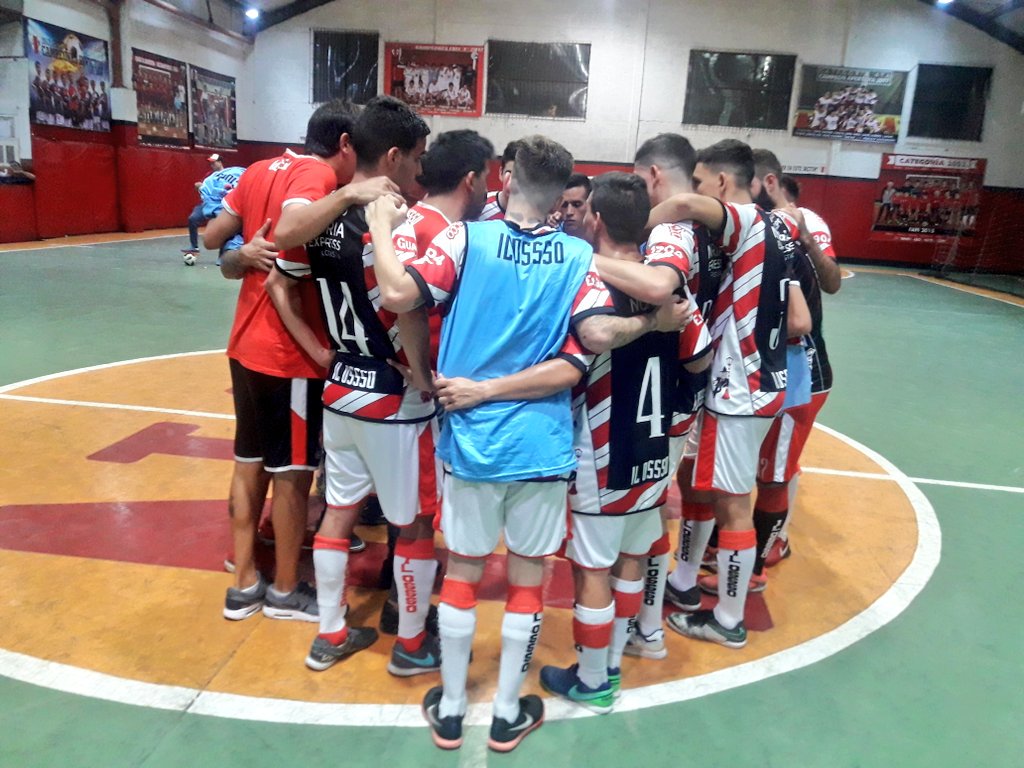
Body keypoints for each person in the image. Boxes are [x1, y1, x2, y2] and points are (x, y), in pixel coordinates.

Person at [368, 135, 689, 752]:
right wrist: (653, 322)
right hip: (542, 445)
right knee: (527, 578)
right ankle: (510, 710)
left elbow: (400, 295)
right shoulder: (577, 258)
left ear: (508, 176)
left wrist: (382, 225)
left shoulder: (466, 239)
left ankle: (455, 706)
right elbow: (591, 341)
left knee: (461, 571)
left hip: (471, 441)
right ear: (566, 192)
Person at [264, 95, 433, 673]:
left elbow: (279, 279)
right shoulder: (394, 221)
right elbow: (404, 307)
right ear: (391, 156)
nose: (419, 172)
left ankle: (331, 632)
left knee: (338, 512)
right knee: (412, 522)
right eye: (415, 160)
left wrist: (319, 351)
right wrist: (426, 374)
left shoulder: (324, 215)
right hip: (392, 396)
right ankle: (411, 642)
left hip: (341, 390)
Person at [202, 99, 388, 624]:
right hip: (287, 352)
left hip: (245, 342)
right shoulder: (318, 176)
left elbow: (216, 240)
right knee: (292, 474)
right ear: (345, 145)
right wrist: (349, 192)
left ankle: (243, 582)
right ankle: (285, 590)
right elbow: (288, 228)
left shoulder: (261, 168)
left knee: (249, 460)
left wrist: (240, 257)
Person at [537, 172, 710, 713]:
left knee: (591, 571)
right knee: (632, 559)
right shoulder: (673, 288)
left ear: (596, 219)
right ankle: (610, 664)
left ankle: (592, 682)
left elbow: (590, 338)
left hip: (603, 451)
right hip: (654, 448)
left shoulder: (591, 282)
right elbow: (701, 359)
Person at [651, 139, 810, 649]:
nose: (696, 189)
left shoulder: (744, 219)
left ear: (722, 184)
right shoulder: (783, 226)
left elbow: (680, 205)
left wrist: (635, 225)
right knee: (707, 485)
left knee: (733, 505)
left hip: (739, 387)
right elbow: (798, 313)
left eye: (702, 180)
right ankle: (684, 581)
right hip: (760, 381)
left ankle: (728, 619)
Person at [184, 154, 224, 256]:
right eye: (210, 163)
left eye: (214, 162)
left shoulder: (228, 175)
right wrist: (199, 186)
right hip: (206, 204)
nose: (212, 165)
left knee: (225, 227)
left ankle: (225, 252)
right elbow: (202, 187)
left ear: (220, 162)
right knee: (192, 219)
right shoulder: (209, 175)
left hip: (221, 206)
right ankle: (194, 247)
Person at [476, 140, 522, 221]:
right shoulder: (479, 207)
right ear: (501, 173)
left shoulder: (540, 213)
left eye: (521, 177)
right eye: (509, 173)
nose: (512, 182)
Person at [552, 172, 592, 237]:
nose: (569, 212)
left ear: (590, 204)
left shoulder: (602, 239)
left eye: (577, 204)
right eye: (564, 205)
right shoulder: (551, 237)